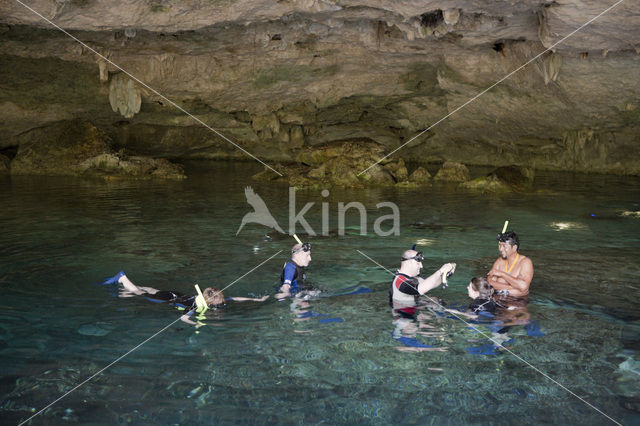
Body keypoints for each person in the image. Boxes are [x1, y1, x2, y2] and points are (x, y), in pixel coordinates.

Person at [101, 271, 268, 323]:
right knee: (141, 293)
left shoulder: (207, 299)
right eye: (217, 305)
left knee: (152, 289)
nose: (219, 306)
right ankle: (122, 278)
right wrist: (197, 322)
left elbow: (236, 299)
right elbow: (183, 318)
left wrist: (256, 300)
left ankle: (126, 284)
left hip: (173, 293)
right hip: (168, 298)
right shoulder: (194, 307)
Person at [389, 249, 456, 305]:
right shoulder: (399, 281)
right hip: (403, 318)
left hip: (413, 310)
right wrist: (440, 271)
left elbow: (430, 284)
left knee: (439, 301)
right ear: (408, 263)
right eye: (418, 263)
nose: (421, 266)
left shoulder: (413, 278)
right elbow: (419, 289)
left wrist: (446, 274)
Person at [487, 231, 533, 298]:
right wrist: (512, 288)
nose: (500, 249)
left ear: (514, 248)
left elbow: (523, 287)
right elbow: (489, 283)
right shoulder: (499, 261)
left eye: (504, 246)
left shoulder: (525, 262)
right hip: (498, 299)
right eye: (500, 245)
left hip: (518, 301)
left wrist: (502, 274)